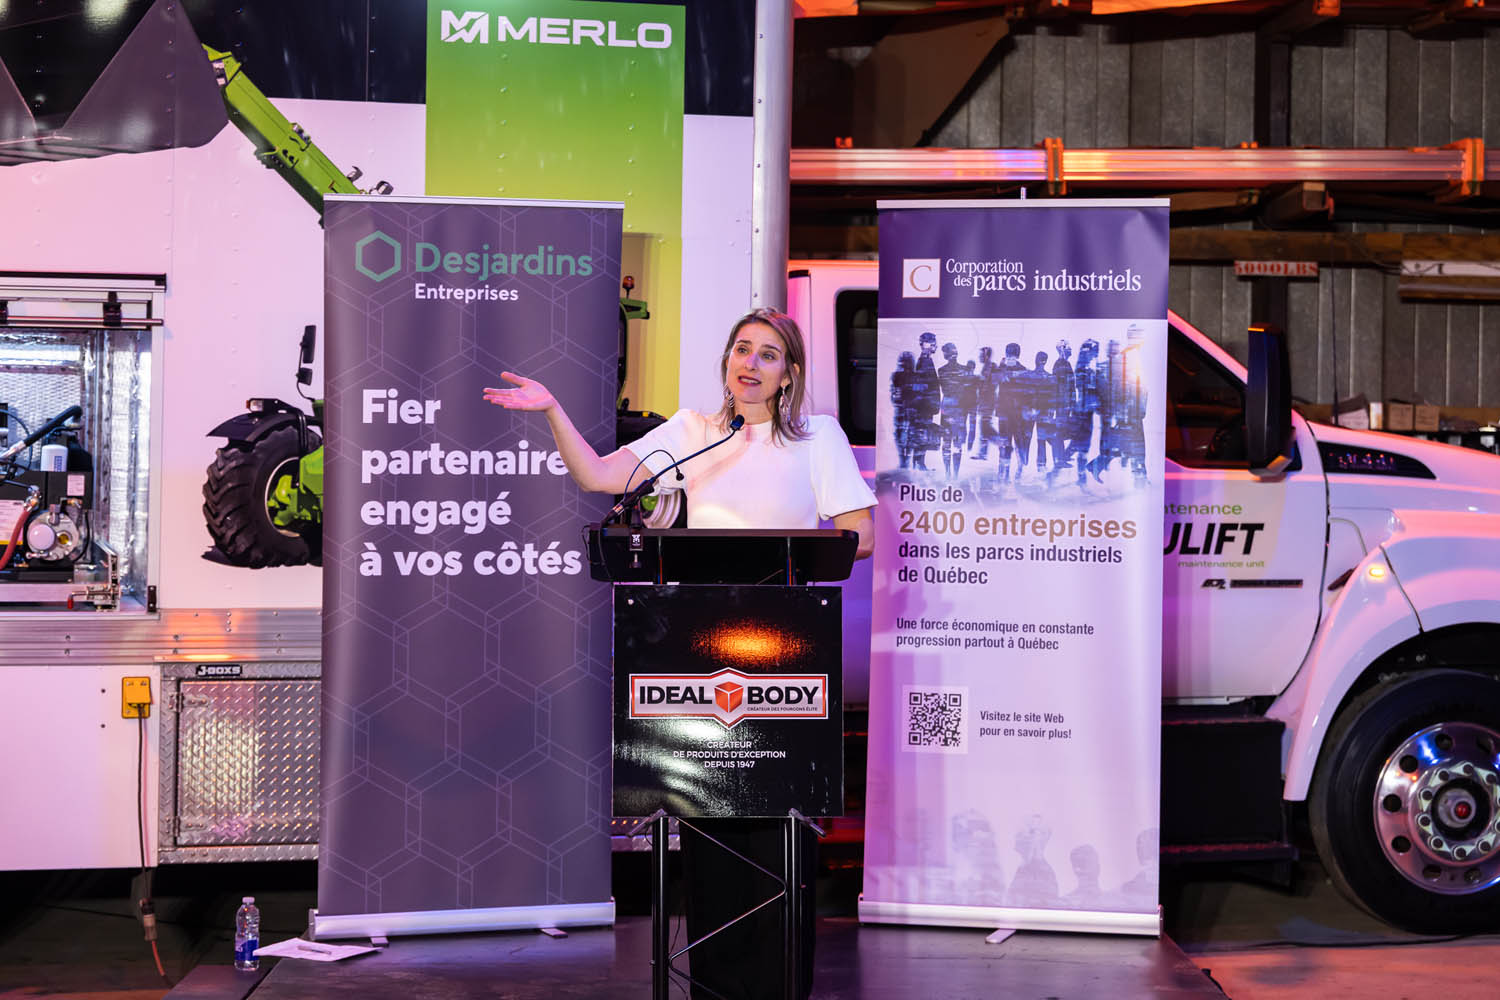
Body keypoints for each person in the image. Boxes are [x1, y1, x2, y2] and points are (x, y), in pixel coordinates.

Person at [484, 307, 874, 1000]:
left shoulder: (819, 437)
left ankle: (777, 986)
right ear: (727, 361)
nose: (751, 363)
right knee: (711, 824)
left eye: (769, 354)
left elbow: (860, 534)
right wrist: (552, 411)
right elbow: (599, 477)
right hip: (703, 652)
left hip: (785, 655)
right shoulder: (692, 433)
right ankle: (715, 987)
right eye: (742, 349)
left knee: (775, 831)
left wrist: (792, 548)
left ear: (789, 374)